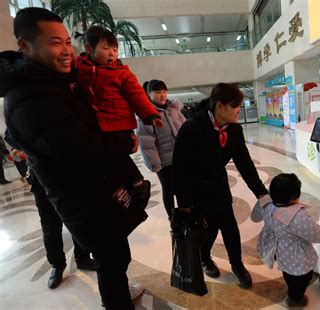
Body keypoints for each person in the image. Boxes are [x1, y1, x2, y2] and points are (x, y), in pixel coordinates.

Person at [0, 8, 140, 309]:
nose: (66, 51)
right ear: (25, 45)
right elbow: (78, 148)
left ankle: (118, 295)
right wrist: (125, 141)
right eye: (54, 43)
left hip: (93, 193)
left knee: (116, 256)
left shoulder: (52, 83)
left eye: (67, 42)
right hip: (81, 199)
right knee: (111, 260)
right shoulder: (28, 98)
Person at [173, 83, 269, 289]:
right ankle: (205, 259)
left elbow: (245, 164)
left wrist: (262, 194)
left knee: (230, 228)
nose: (239, 111)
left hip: (219, 187)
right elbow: (180, 169)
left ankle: (237, 265)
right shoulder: (191, 128)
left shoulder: (234, 129)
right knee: (207, 232)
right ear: (220, 106)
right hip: (197, 192)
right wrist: (184, 203)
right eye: (235, 106)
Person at [75, 25, 164, 215]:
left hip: (118, 125)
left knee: (119, 156)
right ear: (89, 48)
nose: (111, 54)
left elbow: (137, 95)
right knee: (106, 161)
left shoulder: (121, 72)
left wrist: (150, 114)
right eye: (106, 49)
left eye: (115, 50)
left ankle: (138, 184)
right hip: (95, 127)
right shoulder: (79, 68)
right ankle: (122, 193)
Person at [251, 173, 320, 307]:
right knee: (303, 277)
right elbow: (315, 234)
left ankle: (291, 285)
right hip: (296, 256)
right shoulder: (297, 217)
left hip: (278, 250)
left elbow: (254, 217)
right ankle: (295, 299)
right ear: (295, 197)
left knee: (287, 271)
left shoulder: (265, 204)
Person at [137, 80, 186, 218]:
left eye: (164, 91)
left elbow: (185, 128)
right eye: (158, 92)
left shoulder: (173, 109)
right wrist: (155, 163)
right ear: (149, 94)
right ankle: (173, 218)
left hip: (180, 156)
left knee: (182, 187)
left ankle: (185, 214)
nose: (162, 95)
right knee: (169, 189)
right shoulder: (146, 114)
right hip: (164, 161)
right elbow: (147, 142)